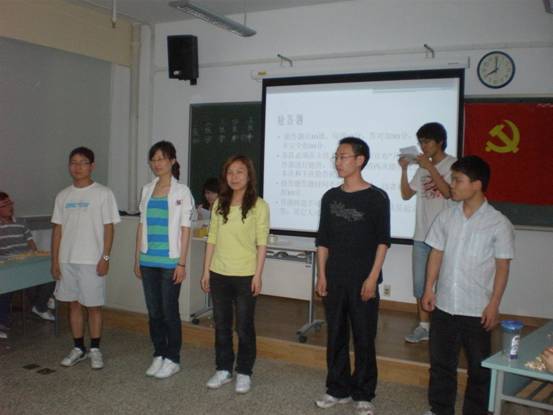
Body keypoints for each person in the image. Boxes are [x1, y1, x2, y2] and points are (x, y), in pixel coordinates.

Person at [421, 156, 515, 415]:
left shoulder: (498, 223)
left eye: (457, 180)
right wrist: (429, 288)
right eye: (452, 179)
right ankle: (440, 409)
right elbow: (436, 253)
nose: (451, 185)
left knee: (479, 367)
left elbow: (502, 267)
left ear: (477, 184)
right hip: (444, 304)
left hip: (476, 308)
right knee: (441, 364)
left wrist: (494, 304)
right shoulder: (447, 216)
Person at [315, 137, 390, 415]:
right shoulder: (330, 197)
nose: (338, 162)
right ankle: (337, 389)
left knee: (363, 337)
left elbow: (383, 241)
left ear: (360, 160)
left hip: (363, 280)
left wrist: (372, 278)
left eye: (343, 156)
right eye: (336, 156)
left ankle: (363, 393)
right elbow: (323, 240)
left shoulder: (377, 197)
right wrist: (322, 274)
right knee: (335, 335)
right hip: (334, 277)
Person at [200, 155, 269, 394]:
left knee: (244, 326)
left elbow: (262, 243)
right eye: (230, 172)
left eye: (240, 172)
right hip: (219, 272)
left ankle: (244, 371)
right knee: (221, 325)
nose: (234, 177)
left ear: (249, 175)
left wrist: (258, 275)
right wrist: (206, 271)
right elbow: (212, 239)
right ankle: (223, 369)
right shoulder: (219, 203)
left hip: (246, 274)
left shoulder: (259, 205)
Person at [51, 147, 120, 370]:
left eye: (83, 162)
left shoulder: (103, 193)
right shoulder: (63, 195)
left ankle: (95, 349)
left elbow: (109, 228)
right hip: (67, 259)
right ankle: (79, 348)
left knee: (93, 306)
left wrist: (105, 257)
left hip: (92, 260)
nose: (77, 167)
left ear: (92, 166)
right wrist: (55, 261)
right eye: (73, 162)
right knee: (73, 304)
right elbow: (58, 230)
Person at [134, 140, 194, 379]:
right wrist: (137, 258)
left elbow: (186, 229)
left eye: (162, 158)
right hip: (148, 259)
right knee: (154, 312)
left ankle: (173, 358)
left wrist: (182, 263)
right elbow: (141, 225)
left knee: (170, 311)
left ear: (172, 161)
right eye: (154, 159)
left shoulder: (182, 191)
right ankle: (159, 353)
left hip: (171, 262)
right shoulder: (147, 189)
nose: (157, 163)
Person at [398, 122, 456, 344]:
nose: (423, 146)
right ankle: (423, 327)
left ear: (440, 141)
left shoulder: (453, 164)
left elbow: (449, 193)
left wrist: (430, 167)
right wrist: (404, 170)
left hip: (445, 237)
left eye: (427, 141)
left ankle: (443, 328)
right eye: (420, 142)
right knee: (420, 284)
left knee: (444, 284)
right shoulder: (422, 167)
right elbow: (406, 194)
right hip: (421, 235)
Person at [0, 192, 55, 339]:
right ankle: (2, 322)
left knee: (50, 273)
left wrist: (35, 255)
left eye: (10, 203)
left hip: (26, 260)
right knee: (5, 288)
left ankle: (40, 306)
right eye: (5, 205)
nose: (10, 206)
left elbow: (31, 244)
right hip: (9, 266)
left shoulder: (20, 223)